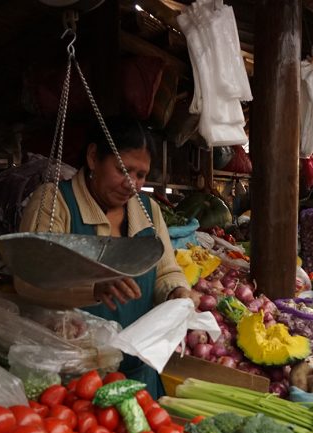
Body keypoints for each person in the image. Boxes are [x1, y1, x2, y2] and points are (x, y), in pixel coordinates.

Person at [15, 115, 196, 397]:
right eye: (123, 170)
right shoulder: (54, 203)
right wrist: (93, 287)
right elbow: (29, 281)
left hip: (139, 372)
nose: (132, 184)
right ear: (93, 157)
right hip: (75, 378)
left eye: (140, 174)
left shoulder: (148, 210)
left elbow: (166, 271)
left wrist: (176, 293)